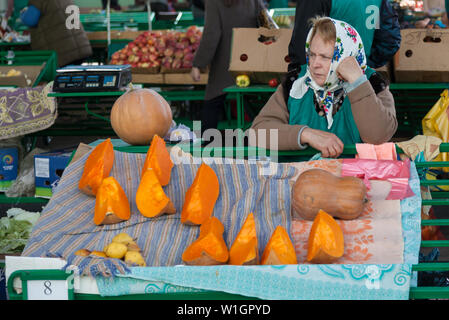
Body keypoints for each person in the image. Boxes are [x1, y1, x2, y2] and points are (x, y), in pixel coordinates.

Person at [250, 17, 398, 158]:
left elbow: (378, 136)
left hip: (354, 179)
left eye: (326, 57)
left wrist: (357, 82)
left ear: (347, 56)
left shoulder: (373, 83)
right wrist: (305, 134)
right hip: (300, 178)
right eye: (312, 55)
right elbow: (258, 132)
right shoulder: (296, 83)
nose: (314, 64)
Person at [190, 0, 259, 132]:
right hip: (250, 58)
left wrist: (198, 64)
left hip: (225, 60)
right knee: (252, 103)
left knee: (213, 102)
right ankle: (257, 142)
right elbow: (263, 22)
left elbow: (212, 33)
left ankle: (207, 144)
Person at [287, 0, 401, 72]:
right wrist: (363, 64)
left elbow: (302, 44)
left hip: (324, 85)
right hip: (358, 81)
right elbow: (389, 40)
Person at [20, 0, 93, 67]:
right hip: (78, 46)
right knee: (72, 77)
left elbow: (29, 20)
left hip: (63, 51)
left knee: (61, 78)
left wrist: (23, 13)